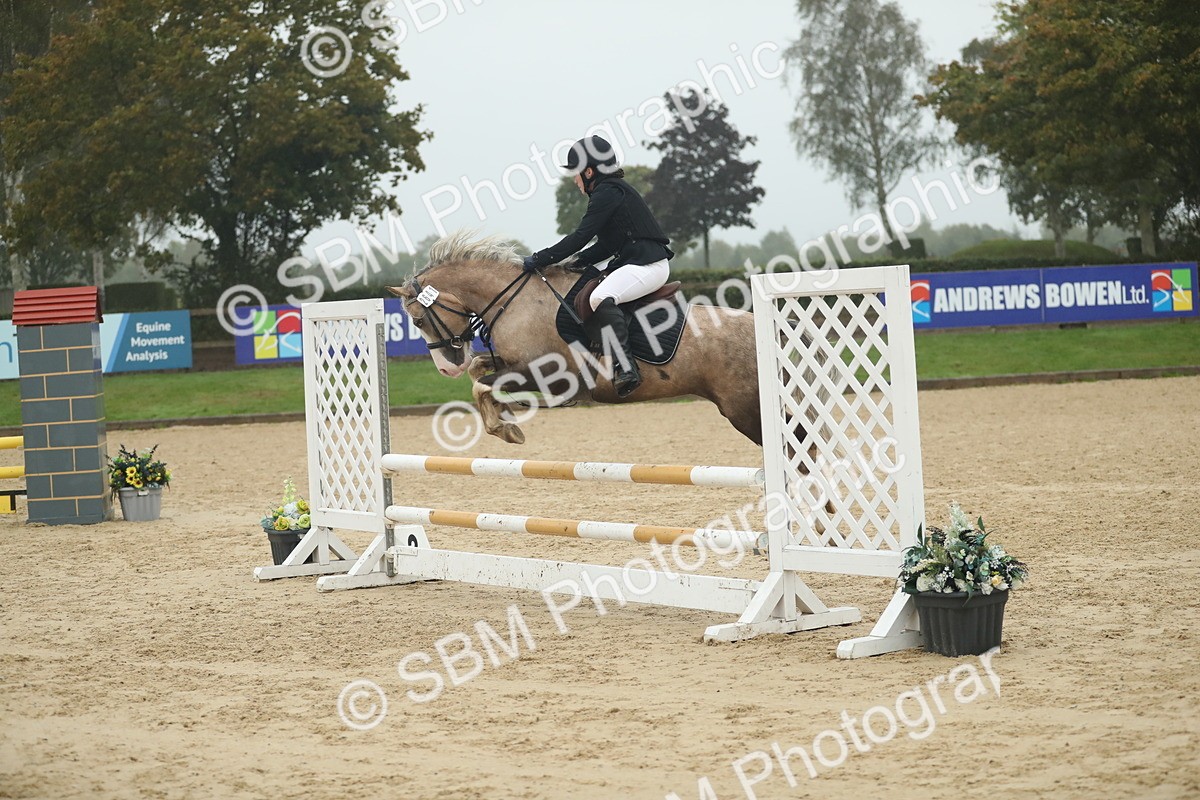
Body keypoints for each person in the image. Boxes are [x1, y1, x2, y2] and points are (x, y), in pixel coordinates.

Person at [522, 135, 673, 397]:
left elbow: (580, 237)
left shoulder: (608, 192)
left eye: (576, 173)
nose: (574, 179)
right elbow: (604, 246)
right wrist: (574, 262)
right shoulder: (611, 192)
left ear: (589, 171)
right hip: (638, 262)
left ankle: (627, 368)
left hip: (649, 265)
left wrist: (541, 258)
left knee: (600, 296)